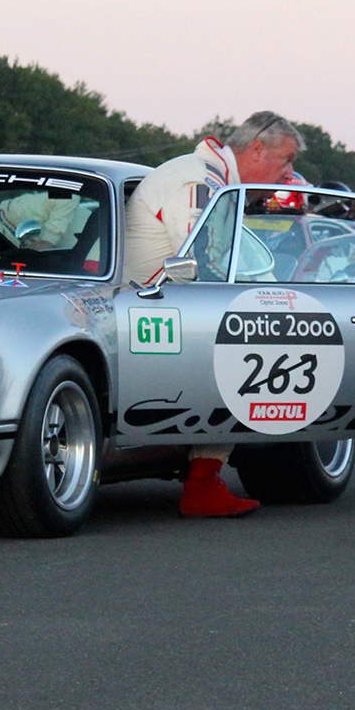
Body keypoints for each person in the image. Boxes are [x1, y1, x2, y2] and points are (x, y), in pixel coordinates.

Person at [124, 111, 303, 518]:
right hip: (150, 316)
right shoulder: (201, 182)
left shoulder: (210, 178)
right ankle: (203, 482)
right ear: (257, 148)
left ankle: (205, 476)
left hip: (153, 312)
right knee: (247, 351)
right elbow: (199, 263)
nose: (289, 174)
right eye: (286, 160)